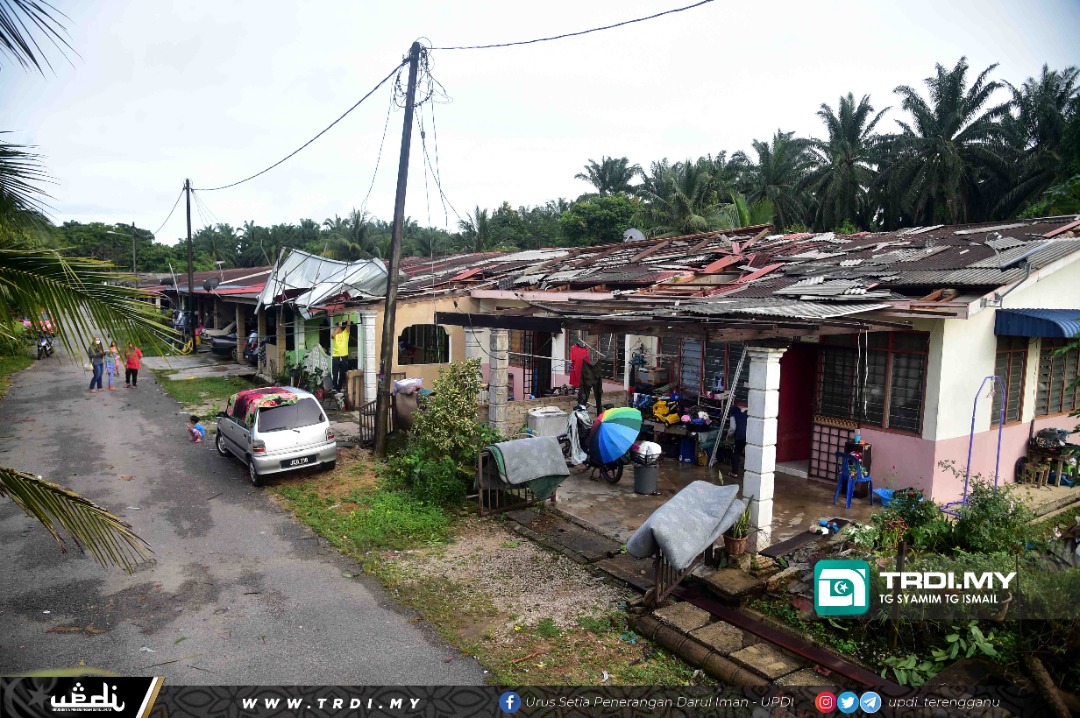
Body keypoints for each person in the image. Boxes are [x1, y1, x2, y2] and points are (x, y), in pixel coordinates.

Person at [331, 315, 352, 392]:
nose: (336, 329)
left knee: (343, 374)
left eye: (337, 328)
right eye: (336, 328)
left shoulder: (345, 333)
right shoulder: (335, 335)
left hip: (344, 356)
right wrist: (338, 326)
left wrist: (349, 316)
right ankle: (335, 387)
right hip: (336, 357)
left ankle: (339, 387)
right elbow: (332, 336)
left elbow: (348, 325)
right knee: (335, 374)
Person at [728, 403, 748, 476]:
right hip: (748, 437)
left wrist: (729, 435)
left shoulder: (733, 416)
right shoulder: (745, 416)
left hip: (739, 437)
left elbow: (732, 428)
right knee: (747, 454)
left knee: (736, 453)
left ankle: (734, 473)